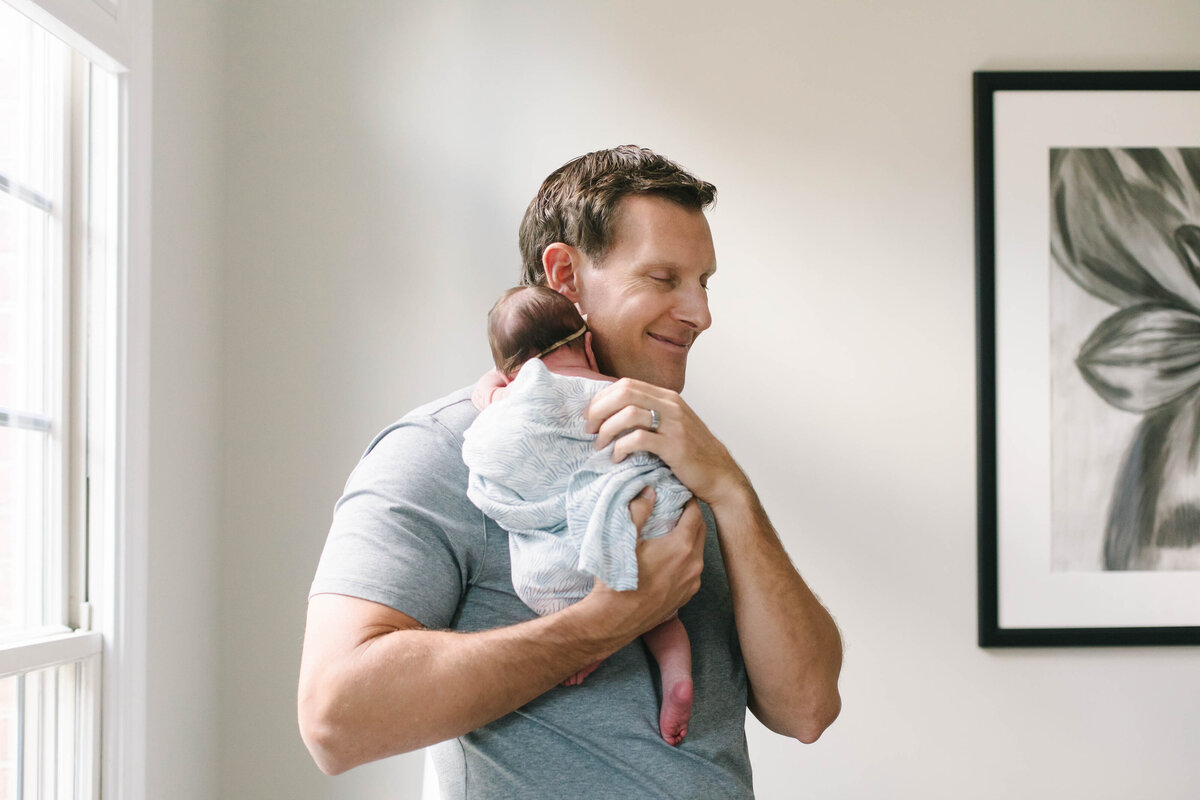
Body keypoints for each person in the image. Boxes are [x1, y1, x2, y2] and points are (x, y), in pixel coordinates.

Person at [299, 145, 843, 799]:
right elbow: (336, 718)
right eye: (664, 278)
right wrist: (606, 621)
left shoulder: (683, 459)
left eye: (705, 282)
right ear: (565, 275)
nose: (700, 312)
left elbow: (807, 708)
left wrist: (728, 487)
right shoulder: (440, 454)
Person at [463, 284, 695, 746]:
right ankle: (677, 679)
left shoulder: (521, 393)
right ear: (588, 343)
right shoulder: (621, 391)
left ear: (512, 371)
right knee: (663, 619)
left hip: (566, 560)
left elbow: (488, 408)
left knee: (569, 598)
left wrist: (489, 389)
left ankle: (590, 644)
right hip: (652, 529)